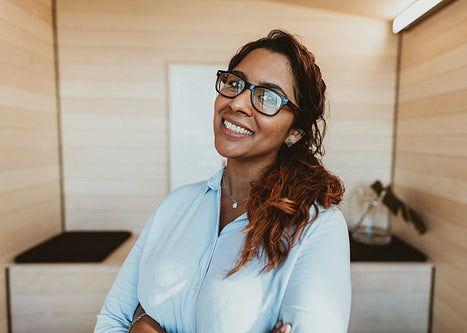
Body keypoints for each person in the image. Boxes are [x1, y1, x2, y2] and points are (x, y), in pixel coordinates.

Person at [94, 29, 351, 333]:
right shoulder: (176, 205)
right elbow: (110, 322)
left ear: (295, 131)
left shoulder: (317, 227)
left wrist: (145, 323)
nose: (238, 103)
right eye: (234, 83)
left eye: (267, 97)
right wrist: (135, 322)